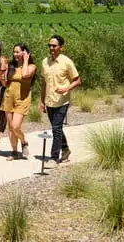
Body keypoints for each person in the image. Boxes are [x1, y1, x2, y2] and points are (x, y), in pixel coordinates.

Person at [39, 35, 81, 169]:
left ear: (60, 47)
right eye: (49, 45)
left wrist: (66, 89)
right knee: (57, 129)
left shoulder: (67, 62)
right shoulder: (45, 62)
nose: (51, 48)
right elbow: (44, 83)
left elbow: (77, 80)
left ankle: (54, 157)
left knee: (56, 128)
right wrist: (41, 101)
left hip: (62, 101)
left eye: (54, 45)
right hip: (49, 100)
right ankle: (66, 150)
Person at [1, 43, 36, 161]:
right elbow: (4, 83)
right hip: (8, 98)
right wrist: (3, 74)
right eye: (14, 52)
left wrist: (25, 60)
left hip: (22, 99)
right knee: (10, 127)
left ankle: (24, 142)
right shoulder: (11, 66)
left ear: (24, 53)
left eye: (18, 52)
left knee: (16, 126)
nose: (15, 54)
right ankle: (14, 151)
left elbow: (25, 74)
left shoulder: (31, 66)